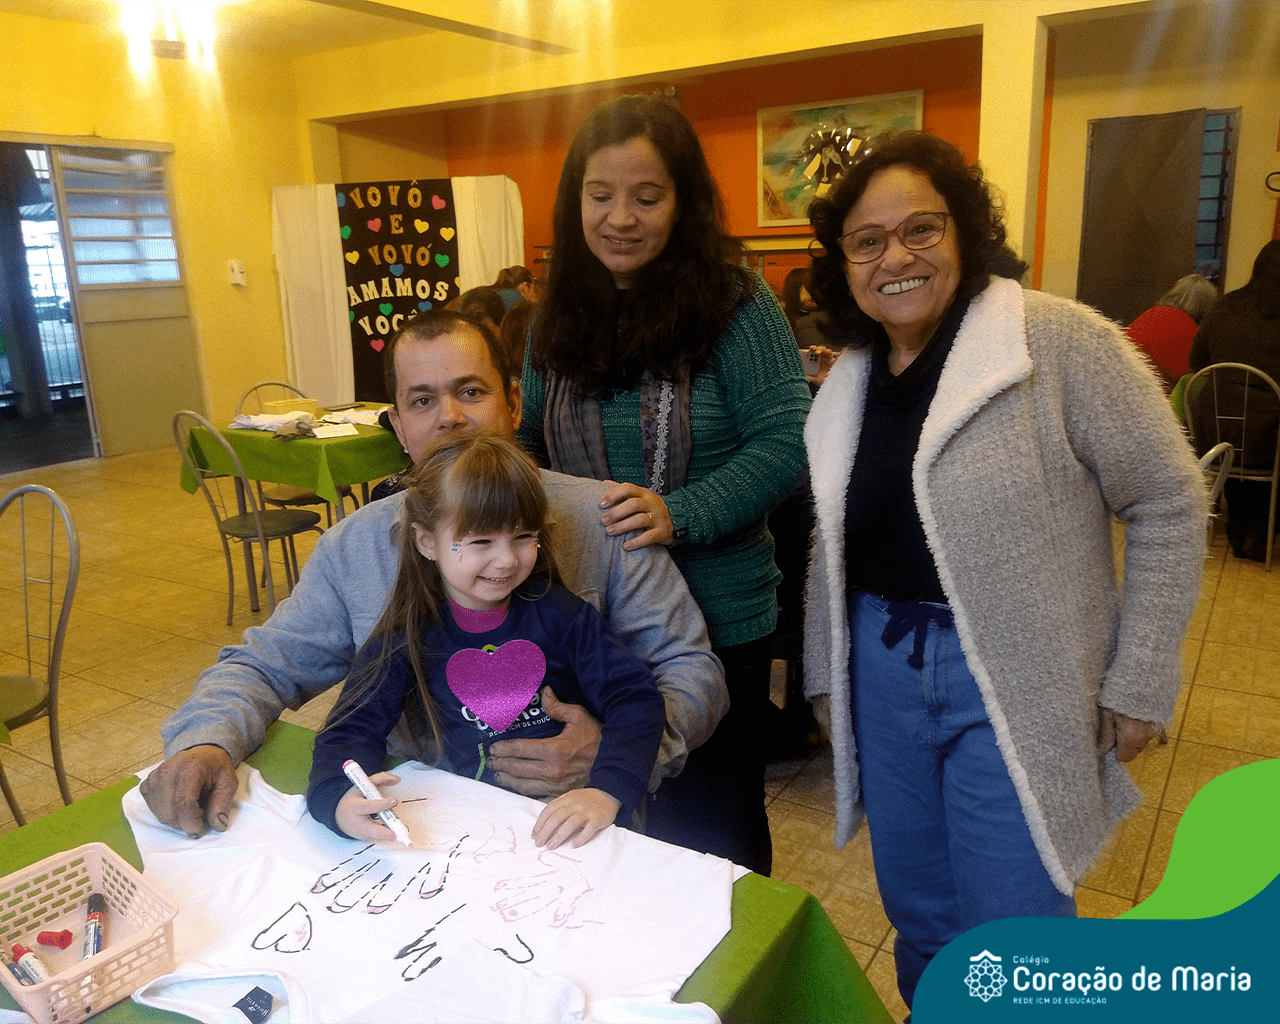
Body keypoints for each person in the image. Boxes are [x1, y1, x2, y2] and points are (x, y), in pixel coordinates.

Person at [802, 131, 1205, 1010]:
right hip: (881, 669)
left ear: (965, 230)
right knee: (920, 916)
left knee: (1017, 928)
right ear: (843, 266)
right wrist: (827, 673)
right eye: (867, 242)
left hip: (1018, 673)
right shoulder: (850, 378)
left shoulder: (1056, 343)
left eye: (921, 229)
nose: (895, 258)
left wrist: (1141, 675)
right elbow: (833, 539)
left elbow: (1169, 501)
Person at [142, 310, 726, 841]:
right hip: (422, 828)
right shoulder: (354, 547)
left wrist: (616, 755)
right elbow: (266, 665)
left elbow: (691, 668)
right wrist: (205, 741)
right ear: (398, 426)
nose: (451, 417)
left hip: (573, 825)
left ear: (514, 403)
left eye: (471, 391)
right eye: (422, 401)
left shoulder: (605, 519)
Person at [518, 95, 810, 875]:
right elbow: (528, 440)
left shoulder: (737, 304)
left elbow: (789, 439)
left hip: (716, 621)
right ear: (575, 200)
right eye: (600, 195)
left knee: (712, 828)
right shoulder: (554, 317)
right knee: (603, 815)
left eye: (647, 197)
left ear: (683, 202)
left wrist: (680, 512)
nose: (621, 218)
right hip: (589, 617)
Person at [308, 433, 665, 851]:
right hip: (469, 828)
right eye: (481, 541)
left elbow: (635, 698)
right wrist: (336, 799)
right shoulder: (406, 635)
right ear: (427, 542)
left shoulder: (564, 616)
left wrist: (607, 790)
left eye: (523, 536)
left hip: (570, 823)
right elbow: (351, 728)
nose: (507, 560)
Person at [1187, 240, 1280, 562]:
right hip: (1269, 437)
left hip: (1214, 430)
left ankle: (1244, 529)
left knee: (1242, 441)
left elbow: (1196, 361)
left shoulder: (1225, 305)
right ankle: (1259, 530)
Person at [1125, 272, 1218, 389]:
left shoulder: (1153, 313)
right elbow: (1192, 374)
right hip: (1148, 391)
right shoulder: (1181, 323)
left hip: (1126, 382)